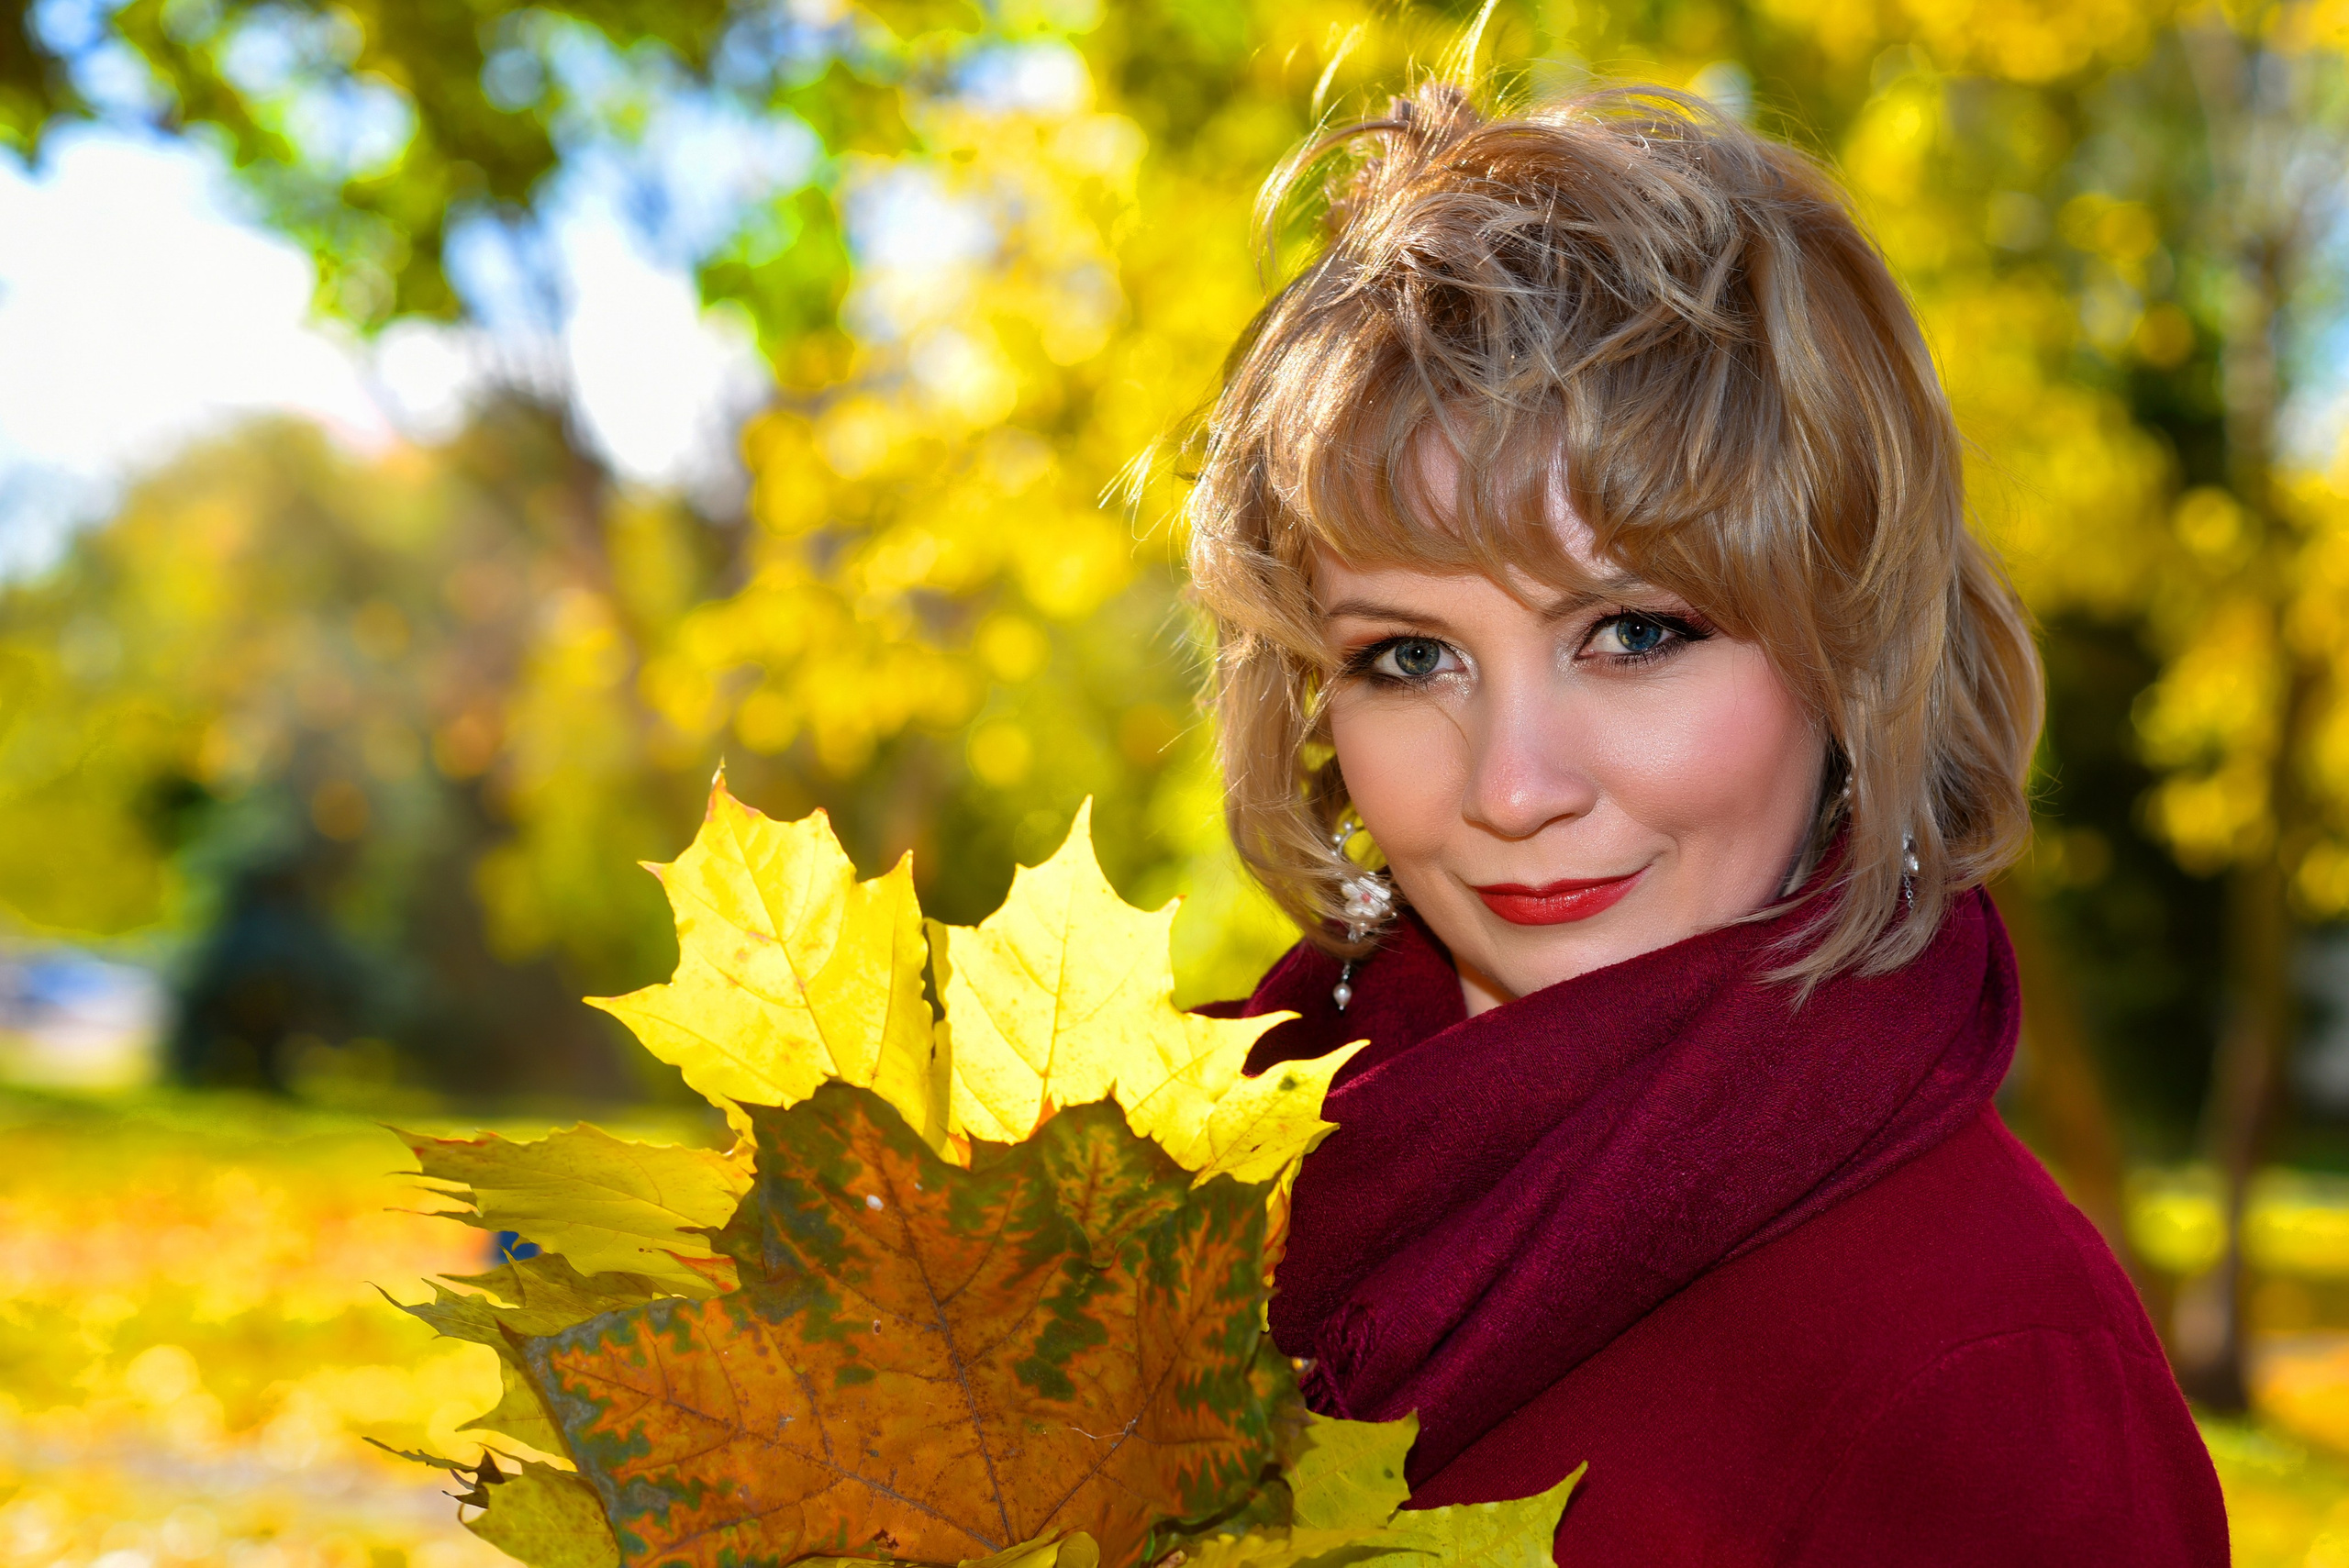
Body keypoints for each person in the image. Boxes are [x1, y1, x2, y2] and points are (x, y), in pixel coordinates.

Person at [1185, 83, 2229, 1565]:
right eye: (1410, 656)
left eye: (1634, 632)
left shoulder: (1995, 1380)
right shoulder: (1157, 1178)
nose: (1513, 785)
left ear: (1849, 654)